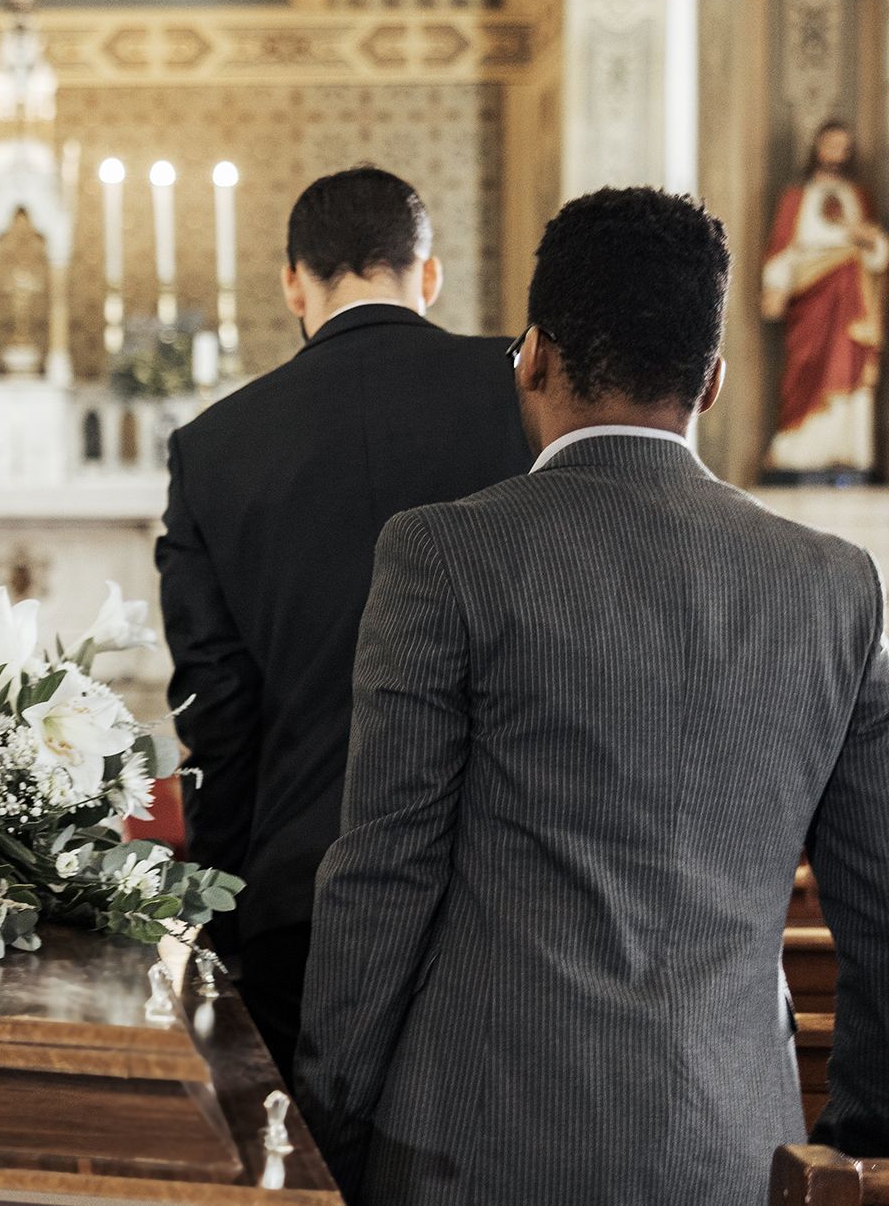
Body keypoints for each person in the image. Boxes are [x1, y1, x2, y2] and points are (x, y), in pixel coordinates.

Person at [297, 186, 889, 1205]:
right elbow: (879, 901)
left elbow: (384, 874)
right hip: (736, 1151)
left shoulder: (445, 553)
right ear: (712, 383)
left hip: (473, 1150)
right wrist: (855, 1138)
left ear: (532, 355)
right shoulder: (834, 583)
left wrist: (326, 1116)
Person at [155, 166, 529, 1082]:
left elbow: (217, 710)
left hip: (301, 887)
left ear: (294, 282)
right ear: (427, 273)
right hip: (507, 878)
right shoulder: (525, 391)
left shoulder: (216, 445)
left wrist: (228, 908)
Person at [762, 119, 887, 477]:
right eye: (829, 145)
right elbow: (782, 247)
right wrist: (775, 286)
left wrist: (865, 238)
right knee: (805, 366)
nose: (835, 154)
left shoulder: (859, 197)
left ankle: (847, 449)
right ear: (816, 148)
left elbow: (878, 255)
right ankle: (795, 448)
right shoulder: (797, 196)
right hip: (810, 294)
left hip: (851, 297)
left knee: (847, 368)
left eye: (842, 147)